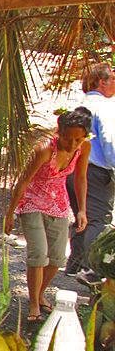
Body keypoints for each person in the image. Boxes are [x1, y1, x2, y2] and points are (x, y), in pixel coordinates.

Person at [5, 107, 92, 322]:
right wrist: (10, 213)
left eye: (78, 140)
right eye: (68, 138)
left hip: (58, 203)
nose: (72, 144)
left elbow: (81, 178)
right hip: (33, 202)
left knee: (57, 257)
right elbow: (24, 180)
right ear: (59, 132)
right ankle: (34, 303)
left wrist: (81, 209)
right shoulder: (44, 149)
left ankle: (40, 292)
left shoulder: (84, 147)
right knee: (38, 254)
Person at [66, 63, 115, 284]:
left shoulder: (79, 105)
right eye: (112, 79)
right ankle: (92, 270)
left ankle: (75, 264)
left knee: (81, 216)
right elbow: (109, 139)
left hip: (72, 167)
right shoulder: (104, 106)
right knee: (97, 220)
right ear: (101, 82)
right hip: (94, 170)